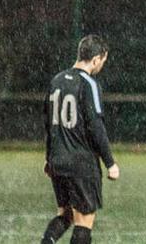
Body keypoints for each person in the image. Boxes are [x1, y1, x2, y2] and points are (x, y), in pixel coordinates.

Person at [41, 34, 120, 244]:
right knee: (84, 222)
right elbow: (96, 126)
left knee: (65, 215)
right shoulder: (89, 84)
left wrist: (49, 158)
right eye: (103, 61)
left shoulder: (56, 80)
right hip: (81, 162)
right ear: (96, 59)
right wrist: (110, 162)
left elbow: (49, 124)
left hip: (58, 160)